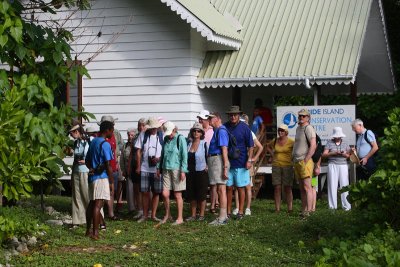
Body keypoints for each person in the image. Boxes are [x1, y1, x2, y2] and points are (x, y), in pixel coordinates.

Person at [85, 121, 114, 240]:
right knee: (98, 204)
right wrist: (111, 182)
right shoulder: (105, 144)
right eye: (112, 130)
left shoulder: (93, 142)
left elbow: (87, 160)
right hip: (101, 178)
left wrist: (91, 169)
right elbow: (108, 165)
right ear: (107, 130)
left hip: (92, 177)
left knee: (92, 203)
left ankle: (88, 230)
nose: (112, 132)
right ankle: (95, 232)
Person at [224, 106, 254, 220]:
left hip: (241, 162)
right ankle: (227, 211)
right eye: (231, 115)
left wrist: (249, 160)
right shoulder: (225, 127)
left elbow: (251, 145)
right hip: (228, 162)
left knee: (241, 188)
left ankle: (241, 211)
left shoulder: (245, 128)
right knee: (228, 188)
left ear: (239, 115)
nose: (233, 116)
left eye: (235, 114)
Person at [157, 121, 188, 225]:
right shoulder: (166, 139)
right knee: (165, 193)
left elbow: (184, 155)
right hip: (166, 168)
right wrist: (158, 167)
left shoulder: (180, 139)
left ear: (174, 130)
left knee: (177, 194)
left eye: (170, 132)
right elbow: (162, 154)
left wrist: (183, 170)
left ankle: (180, 218)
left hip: (177, 169)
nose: (169, 134)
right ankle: (168, 215)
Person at [233, 114, 263, 216]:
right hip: (237, 162)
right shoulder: (236, 131)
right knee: (237, 186)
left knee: (247, 186)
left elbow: (260, 147)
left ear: (247, 123)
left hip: (247, 162)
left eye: (243, 122)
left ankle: (248, 208)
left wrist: (253, 159)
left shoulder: (250, 133)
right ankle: (237, 207)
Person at [135, 117, 163, 222]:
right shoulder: (143, 135)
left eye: (156, 127)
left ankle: (153, 215)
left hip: (157, 168)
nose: (154, 129)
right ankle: (145, 215)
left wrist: (159, 162)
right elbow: (138, 151)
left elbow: (164, 152)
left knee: (156, 192)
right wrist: (138, 166)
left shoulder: (161, 135)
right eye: (152, 127)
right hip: (145, 167)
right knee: (145, 192)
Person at [292, 108, 317, 217]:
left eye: (303, 116)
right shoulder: (298, 128)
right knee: (302, 188)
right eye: (300, 116)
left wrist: (306, 159)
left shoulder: (309, 128)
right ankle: (304, 210)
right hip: (297, 161)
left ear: (308, 118)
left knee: (308, 187)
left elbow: (313, 145)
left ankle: (310, 211)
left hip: (305, 161)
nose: (301, 118)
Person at [98, 115, 123, 219]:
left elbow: (118, 149)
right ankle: (101, 212)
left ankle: (111, 213)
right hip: (104, 168)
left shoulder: (114, 135)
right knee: (102, 191)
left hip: (113, 166)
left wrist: (117, 163)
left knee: (112, 191)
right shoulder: (99, 137)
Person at [266, 124, 295, 213]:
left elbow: (296, 151)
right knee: (277, 187)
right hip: (276, 165)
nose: (280, 132)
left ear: (286, 132)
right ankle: (277, 209)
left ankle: (290, 208)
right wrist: (272, 154)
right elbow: (267, 146)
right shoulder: (275, 140)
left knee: (288, 187)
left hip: (287, 166)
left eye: (282, 130)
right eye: (279, 130)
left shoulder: (291, 141)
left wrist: (293, 160)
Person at [207, 112, 230, 225]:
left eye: (211, 118)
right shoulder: (217, 131)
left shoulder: (221, 131)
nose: (209, 120)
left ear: (218, 118)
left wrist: (225, 167)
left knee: (221, 189)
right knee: (220, 189)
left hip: (219, 161)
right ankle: (223, 216)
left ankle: (222, 217)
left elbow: (224, 149)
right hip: (215, 160)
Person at [322, 127, 351, 210]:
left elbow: (349, 155)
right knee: (332, 185)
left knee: (344, 185)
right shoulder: (329, 142)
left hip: (343, 165)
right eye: (336, 136)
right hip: (332, 164)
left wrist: (345, 155)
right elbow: (324, 155)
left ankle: (347, 207)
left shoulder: (345, 143)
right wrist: (333, 153)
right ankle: (332, 207)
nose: (337, 138)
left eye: (338, 136)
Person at [185, 123, 209, 221]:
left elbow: (208, 157)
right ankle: (193, 215)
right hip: (190, 172)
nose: (196, 132)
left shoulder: (204, 144)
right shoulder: (189, 143)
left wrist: (207, 166)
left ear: (201, 133)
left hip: (201, 171)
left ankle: (202, 215)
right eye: (194, 131)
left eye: (198, 131)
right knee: (192, 193)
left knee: (201, 193)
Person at [197, 110, 218, 213]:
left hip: (211, 158)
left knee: (213, 184)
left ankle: (213, 205)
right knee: (201, 184)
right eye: (199, 118)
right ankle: (200, 205)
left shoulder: (213, 130)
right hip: (199, 160)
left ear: (207, 119)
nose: (200, 120)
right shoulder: (196, 130)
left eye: (202, 119)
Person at [69, 124, 90, 227]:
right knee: (76, 197)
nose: (71, 135)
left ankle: (94, 218)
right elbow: (74, 159)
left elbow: (91, 156)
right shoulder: (75, 143)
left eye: (71, 133)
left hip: (85, 171)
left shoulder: (88, 142)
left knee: (86, 195)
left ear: (77, 132)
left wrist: (85, 161)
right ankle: (78, 220)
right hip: (76, 171)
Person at [120, 127, 137, 214]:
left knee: (137, 189)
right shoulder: (125, 145)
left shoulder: (137, 145)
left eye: (132, 135)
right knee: (129, 189)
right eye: (129, 135)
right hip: (128, 170)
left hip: (136, 170)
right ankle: (131, 208)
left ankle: (139, 207)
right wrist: (123, 169)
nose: (130, 137)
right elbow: (122, 159)